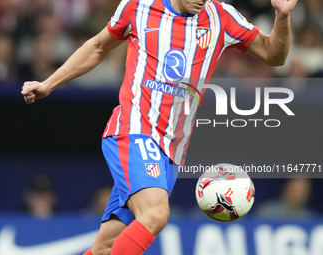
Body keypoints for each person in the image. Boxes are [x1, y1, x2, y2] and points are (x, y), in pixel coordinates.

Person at [21, 0, 298, 254]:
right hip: (134, 130)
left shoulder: (222, 16)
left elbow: (274, 55)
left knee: (107, 246)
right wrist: (48, 84)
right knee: (155, 215)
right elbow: (97, 47)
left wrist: (282, 16)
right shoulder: (139, 7)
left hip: (172, 151)